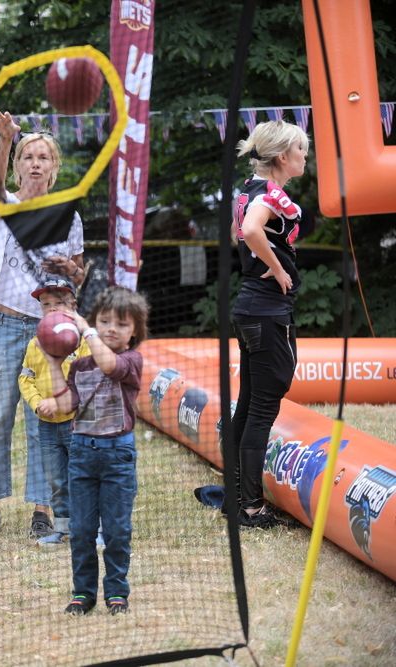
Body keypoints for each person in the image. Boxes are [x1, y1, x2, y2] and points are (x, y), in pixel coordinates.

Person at [0, 109, 85, 538]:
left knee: (45, 419)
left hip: (45, 330)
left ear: (54, 168)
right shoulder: (6, 205)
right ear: (19, 165)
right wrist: (5, 139)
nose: (35, 163)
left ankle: (42, 510)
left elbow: (79, 275)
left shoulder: (67, 215)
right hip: (0, 323)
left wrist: (69, 268)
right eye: (28, 156)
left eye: (43, 157)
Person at [228, 120, 310, 529]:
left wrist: (257, 259)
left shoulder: (248, 187)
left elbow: (236, 230)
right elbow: (248, 229)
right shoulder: (270, 195)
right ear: (282, 157)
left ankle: (237, 496)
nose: (305, 157)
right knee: (261, 408)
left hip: (250, 308)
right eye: (301, 151)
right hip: (264, 310)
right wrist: (276, 269)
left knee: (249, 404)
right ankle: (251, 507)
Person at [50, 286, 148, 615]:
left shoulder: (131, 361)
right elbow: (68, 403)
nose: (110, 329)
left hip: (117, 456)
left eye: (121, 324)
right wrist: (53, 363)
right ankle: (83, 593)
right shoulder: (79, 366)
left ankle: (117, 592)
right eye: (104, 321)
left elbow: (110, 367)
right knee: (81, 530)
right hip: (82, 454)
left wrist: (86, 329)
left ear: (135, 333)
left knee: (117, 530)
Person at [18, 276, 90, 548]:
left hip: (77, 424)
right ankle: (62, 528)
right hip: (47, 426)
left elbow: (87, 380)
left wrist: (62, 402)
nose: (52, 309)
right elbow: (26, 377)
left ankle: (89, 529)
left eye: (59, 303)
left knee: (82, 477)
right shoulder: (36, 343)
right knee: (57, 479)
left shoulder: (81, 341)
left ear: (73, 305)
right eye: (46, 304)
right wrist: (37, 403)